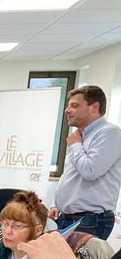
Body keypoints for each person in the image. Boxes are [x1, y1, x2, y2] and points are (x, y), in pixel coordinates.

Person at [51, 85, 121, 239]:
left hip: (90, 220)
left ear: (94, 107)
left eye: (74, 105)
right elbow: (72, 175)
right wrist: (58, 204)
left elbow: (90, 171)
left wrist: (75, 145)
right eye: (69, 105)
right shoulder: (80, 136)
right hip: (68, 217)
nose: (67, 110)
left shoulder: (109, 133)